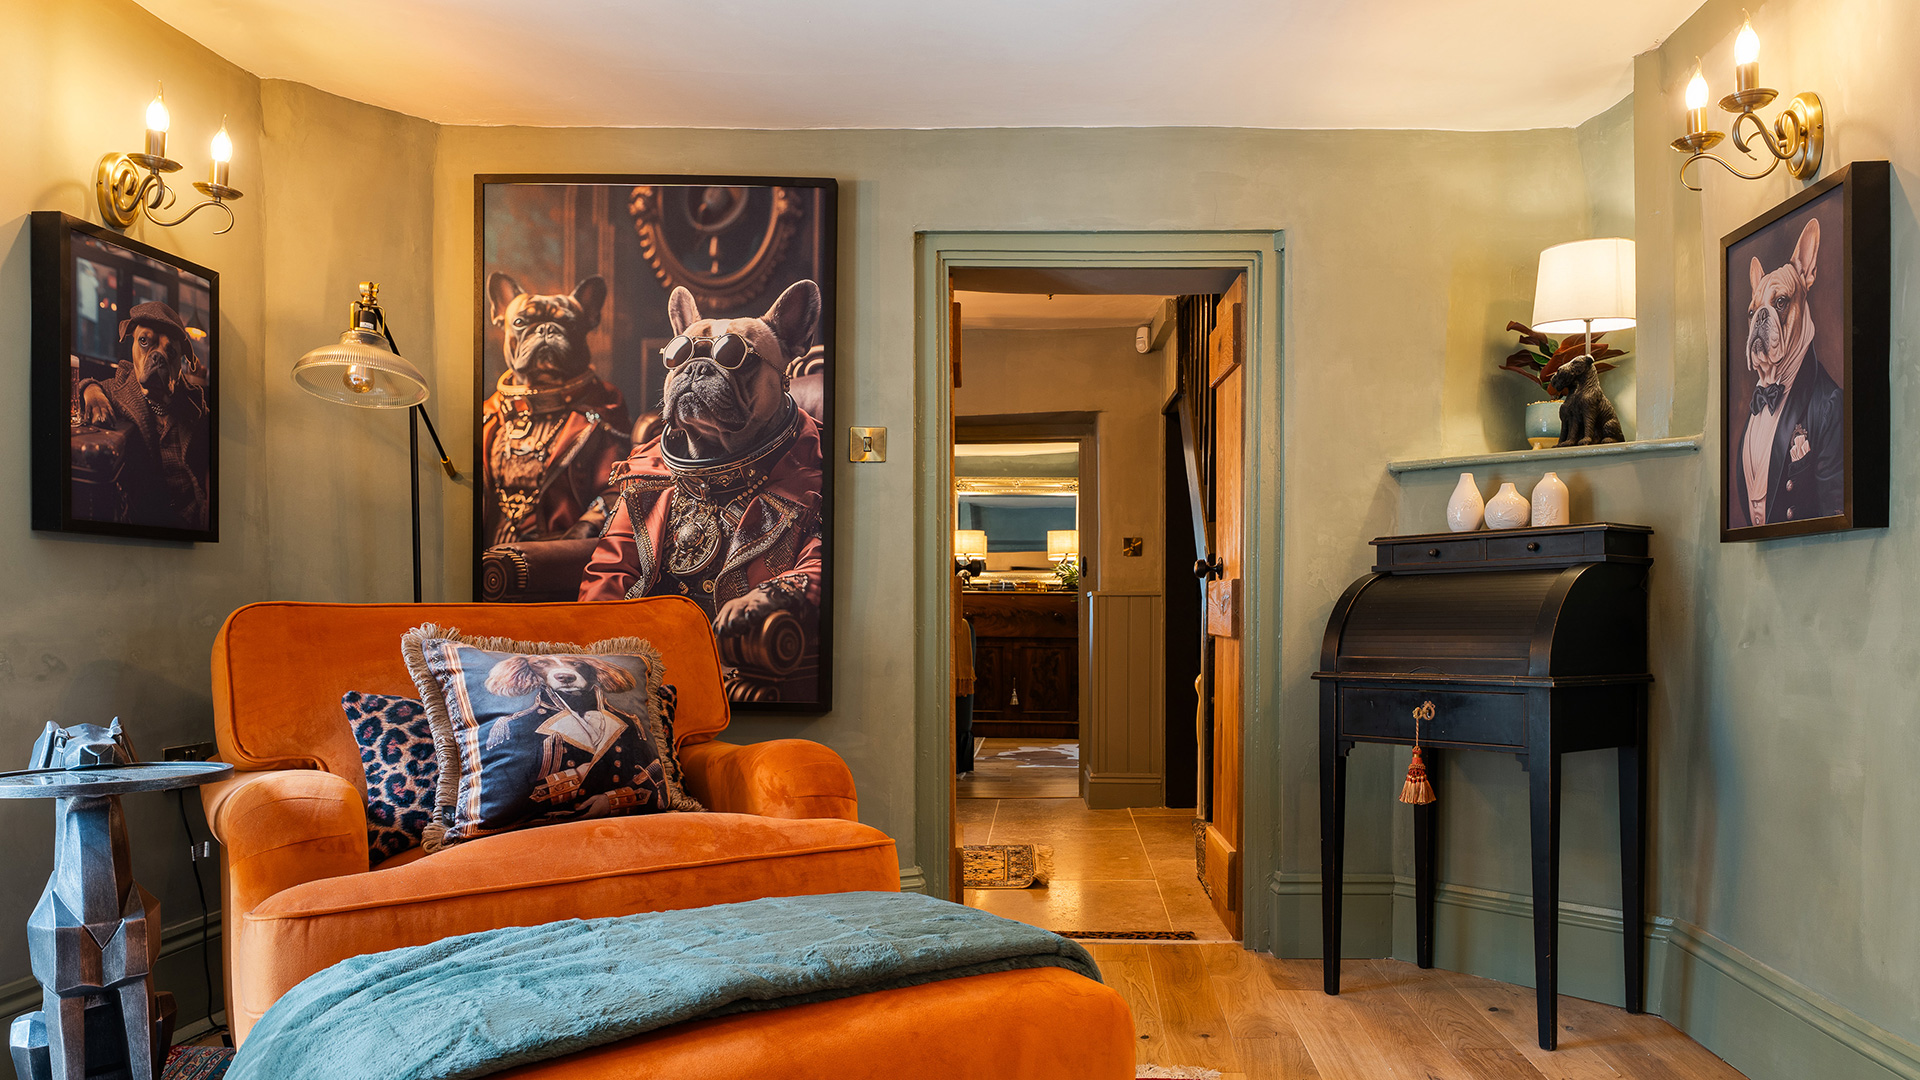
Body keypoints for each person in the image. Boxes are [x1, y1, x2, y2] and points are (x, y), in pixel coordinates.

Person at [76, 301, 209, 530]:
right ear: (130, 337)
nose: (157, 357)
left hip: (194, 516)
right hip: (148, 520)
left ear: (183, 360)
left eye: (170, 352)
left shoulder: (194, 405)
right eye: (145, 342)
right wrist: (93, 393)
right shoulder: (122, 389)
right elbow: (91, 384)